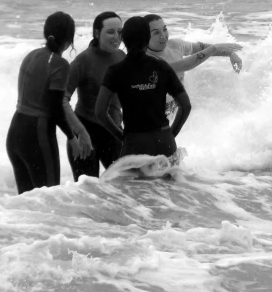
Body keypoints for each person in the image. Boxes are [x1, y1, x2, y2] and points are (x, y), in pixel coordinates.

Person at [95, 16, 191, 159]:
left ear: (123, 39)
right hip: (164, 141)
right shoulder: (161, 67)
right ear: (147, 38)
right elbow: (185, 106)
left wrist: (121, 136)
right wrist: (171, 134)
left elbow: (100, 112)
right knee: (167, 182)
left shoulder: (115, 71)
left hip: (135, 144)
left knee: (132, 182)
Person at [6, 12, 80, 194]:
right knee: (48, 201)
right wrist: (72, 138)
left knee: (26, 203)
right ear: (69, 39)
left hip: (15, 133)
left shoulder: (31, 55)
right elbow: (55, 109)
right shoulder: (60, 64)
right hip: (37, 137)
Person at [63, 11, 125, 180]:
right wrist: (79, 132)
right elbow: (62, 99)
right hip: (86, 133)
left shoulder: (121, 56)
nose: (116, 37)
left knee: (126, 188)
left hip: (114, 132)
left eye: (120, 31)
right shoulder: (83, 61)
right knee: (88, 195)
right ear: (97, 33)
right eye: (110, 32)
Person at [142, 13, 242, 115]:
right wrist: (215, 48)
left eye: (164, 29)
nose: (163, 36)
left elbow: (201, 47)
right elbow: (185, 65)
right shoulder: (144, 60)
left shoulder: (175, 45)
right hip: (153, 113)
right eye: (156, 33)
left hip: (178, 106)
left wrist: (230, 53)